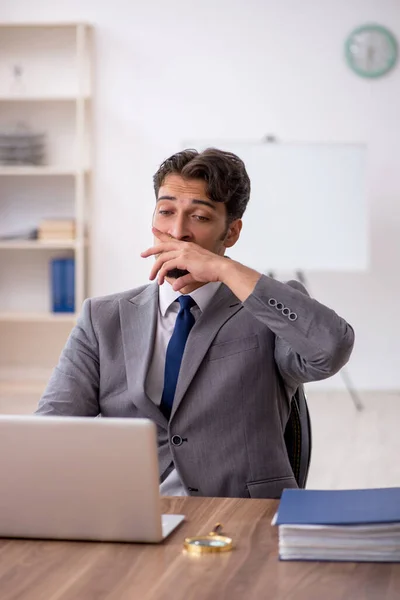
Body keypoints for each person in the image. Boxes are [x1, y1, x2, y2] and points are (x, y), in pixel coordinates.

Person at [37, 148, 355, 498]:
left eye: (200, 217)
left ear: (231, 233)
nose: (177, 231)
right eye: (166, 211)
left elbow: (331, 349)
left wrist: (225, 269)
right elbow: (49, 432)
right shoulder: (103, 318)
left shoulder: (266, 310)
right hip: (134, 515)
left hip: (241, 519)